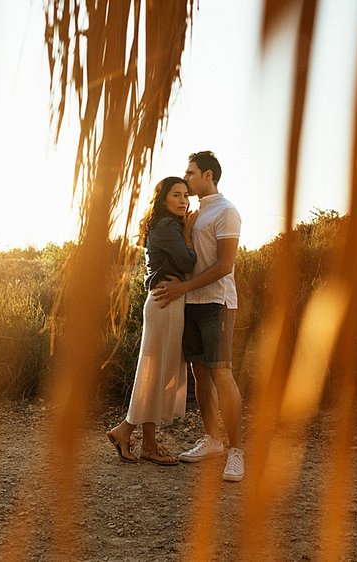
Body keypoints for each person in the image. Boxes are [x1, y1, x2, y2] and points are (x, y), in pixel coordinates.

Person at [152, 150, 246, 482]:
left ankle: (236, 451)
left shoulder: (226, 212)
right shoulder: (194, 214)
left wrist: (185, 287)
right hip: (189, 303)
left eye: (190, 173)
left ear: (207, 175)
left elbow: (224, 266)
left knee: (222, 374)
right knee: (199, 375)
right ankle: (212, 440)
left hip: (217, 304)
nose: (186, 178)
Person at [105, 177, 197, 466]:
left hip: (165, 301)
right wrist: (189, 235)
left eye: (185, 196)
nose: (183, 201)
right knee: (155, 372)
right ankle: (127, 431)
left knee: (156, 372)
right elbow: (188, 263)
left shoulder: (162, 224)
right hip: (165, 302)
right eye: (176, 195)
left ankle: (147, 444)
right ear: (163, 199)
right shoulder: (169, 226)